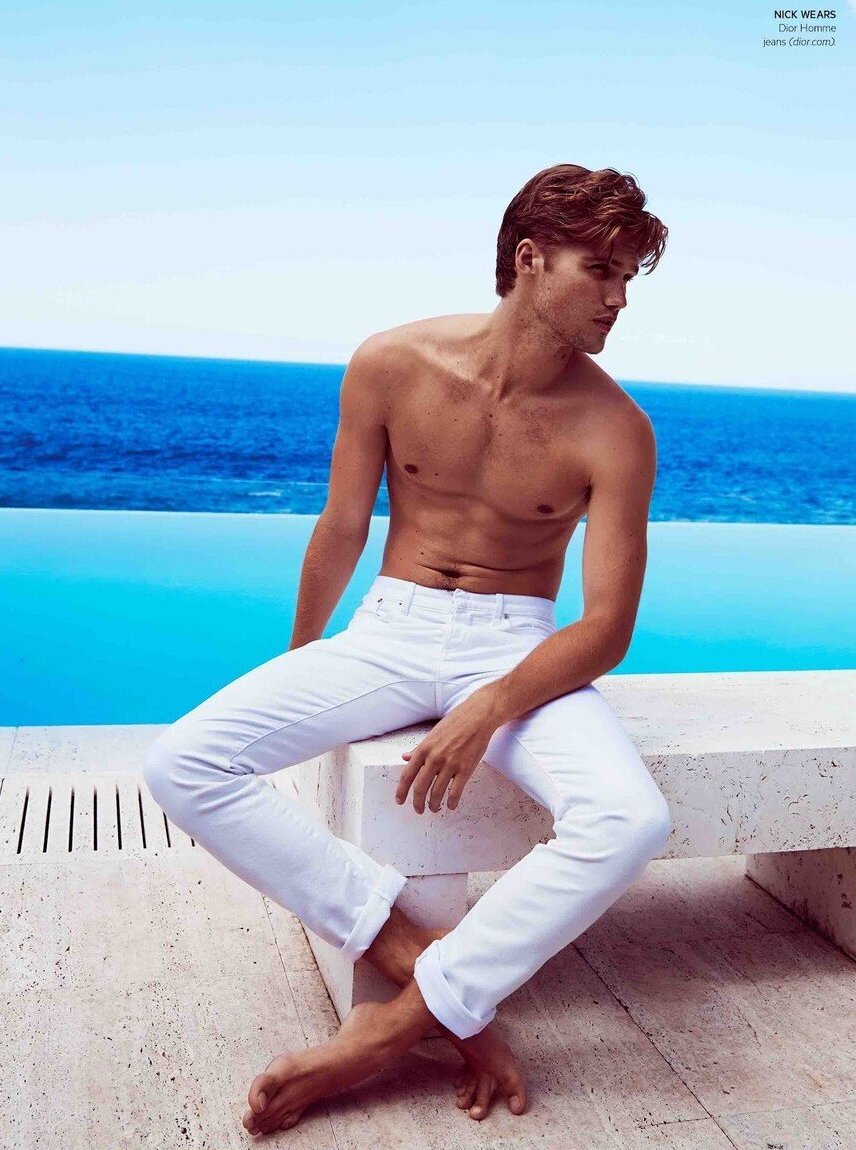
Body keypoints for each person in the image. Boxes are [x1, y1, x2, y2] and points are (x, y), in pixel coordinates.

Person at [142, 162, 672, 1136]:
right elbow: (343, 525)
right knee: (182, 762)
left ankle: (394, 1027)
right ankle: (409, 955)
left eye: (627, 276)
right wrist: (298, 658)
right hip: (388, 629)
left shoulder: (618, 431)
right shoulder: (390, 363)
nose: (618, 298)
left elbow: (606, 628)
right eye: (599, 270)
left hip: (513, 646)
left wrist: (490, 704)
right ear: (529, 258)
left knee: (629, 819)